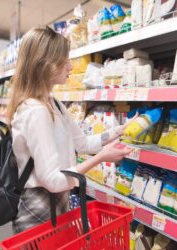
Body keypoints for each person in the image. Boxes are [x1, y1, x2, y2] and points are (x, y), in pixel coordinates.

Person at [7, 26, 133, 233]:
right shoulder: (36, 111)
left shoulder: (53, 103)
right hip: (39, 212)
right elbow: (54, 181)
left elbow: (82, 143)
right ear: (45, 64)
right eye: (64, 60)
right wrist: (100, 158)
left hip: (58, 205)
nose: (71, 66)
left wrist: (120, 130)